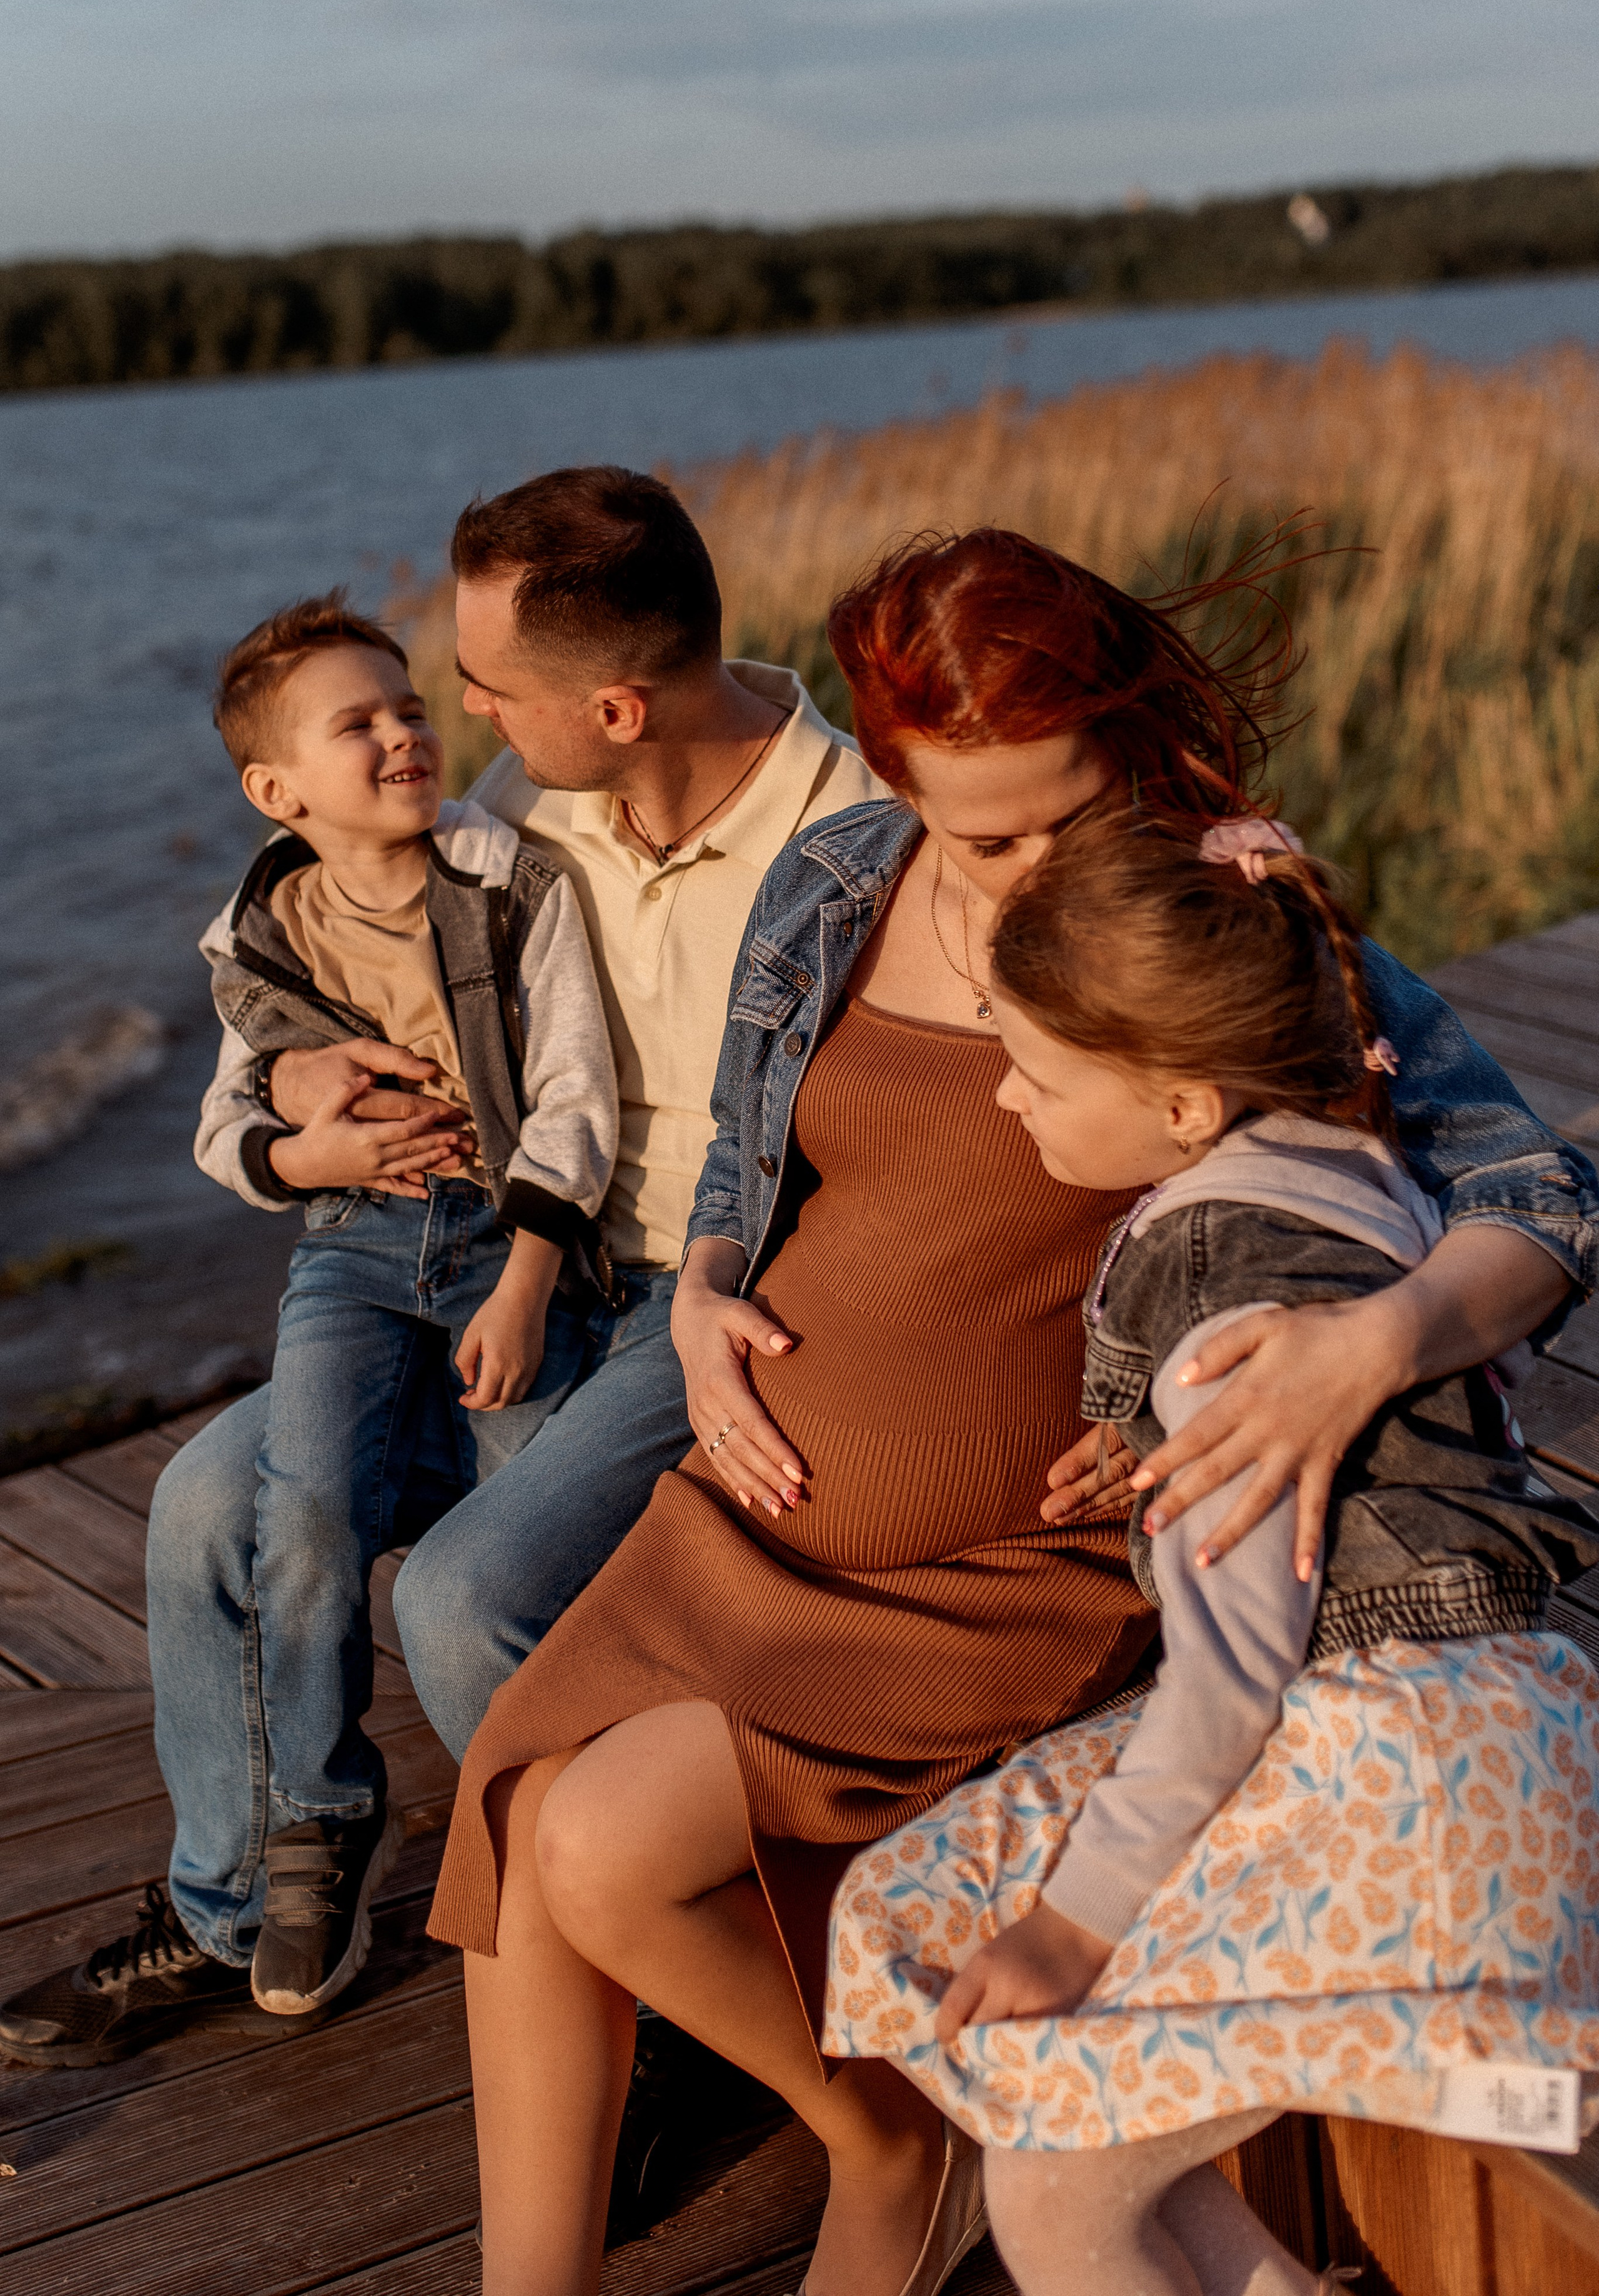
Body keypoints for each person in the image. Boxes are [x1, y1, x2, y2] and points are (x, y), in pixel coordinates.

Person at [420, 527, 1599, 2296]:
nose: (1039, 858)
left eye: (1071, 802)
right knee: (515, 1807)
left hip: (1007, 1561)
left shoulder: (1198, 913)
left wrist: (1370, 1349)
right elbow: (750, 1157)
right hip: (745, 1514)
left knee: (605, 1842)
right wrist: (709, 1292)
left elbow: (1544, 1196)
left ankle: (887, 2137)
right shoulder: (833, 876)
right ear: (893, 778)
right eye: (988, 828)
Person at [0, 467, 879, 2071]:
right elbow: (316, 1009)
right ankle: (239, 1905)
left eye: (480, 686)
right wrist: (288, 1110)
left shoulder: (850, 844)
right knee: (207, 1503)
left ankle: (663, 1992)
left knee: (473, 1588)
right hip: (479, 1261)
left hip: (690, 1303)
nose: (456, 715)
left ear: (613, 703)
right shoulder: (521, 806)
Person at [825, 807, 1599, 2296]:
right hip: (1478, 1746)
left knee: (1047, 2181)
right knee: (1063, 2155)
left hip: (1391, 1791)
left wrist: (1069, 1927)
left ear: (1183, 1106)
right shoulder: (1343, 1161)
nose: (1003, 1094)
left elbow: (1231, 1673)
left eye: (1038, 1071)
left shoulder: (1217, 1281)